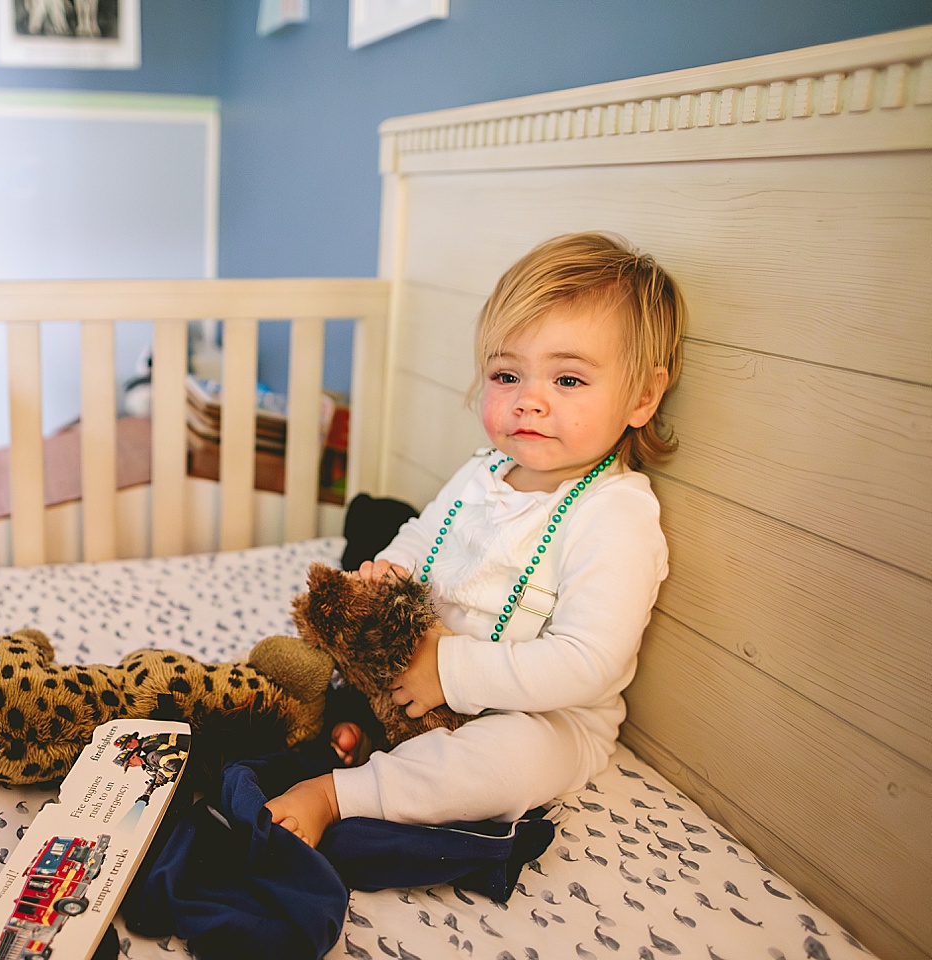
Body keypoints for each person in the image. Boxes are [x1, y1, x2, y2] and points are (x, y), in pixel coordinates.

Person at [265, 232, 686, 848]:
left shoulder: (615, 512)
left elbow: (589, 664)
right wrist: (389, 572)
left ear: (643, 396)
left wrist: (451, 673)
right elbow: (422, 535)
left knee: (514, 761)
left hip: (539, 714)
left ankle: (338, 793)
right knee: (332, 646)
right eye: (507, 374)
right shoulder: (483, 471)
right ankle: (355, 724)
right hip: (419, 679)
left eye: (568, 381)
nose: (529, 401)